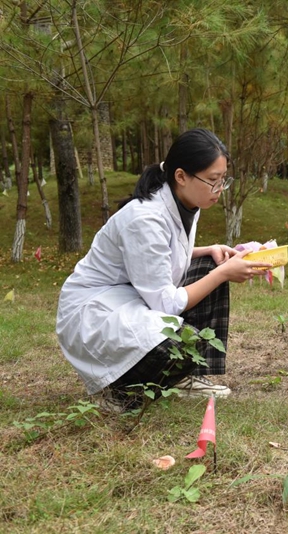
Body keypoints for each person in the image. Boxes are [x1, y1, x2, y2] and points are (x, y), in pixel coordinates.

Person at [56, 128, 271, 413]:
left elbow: (154, 256)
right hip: (93, 313)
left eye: (223, 180)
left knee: (210, 264)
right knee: (181, 341)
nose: (219, 190)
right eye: (212, 181)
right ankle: (117, 390)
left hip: (129, 296)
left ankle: (185, 378)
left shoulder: (186, 201)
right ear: (181, 176)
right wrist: (223, 273)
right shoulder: (144, 218)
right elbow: (164, 302)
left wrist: (207, 251)